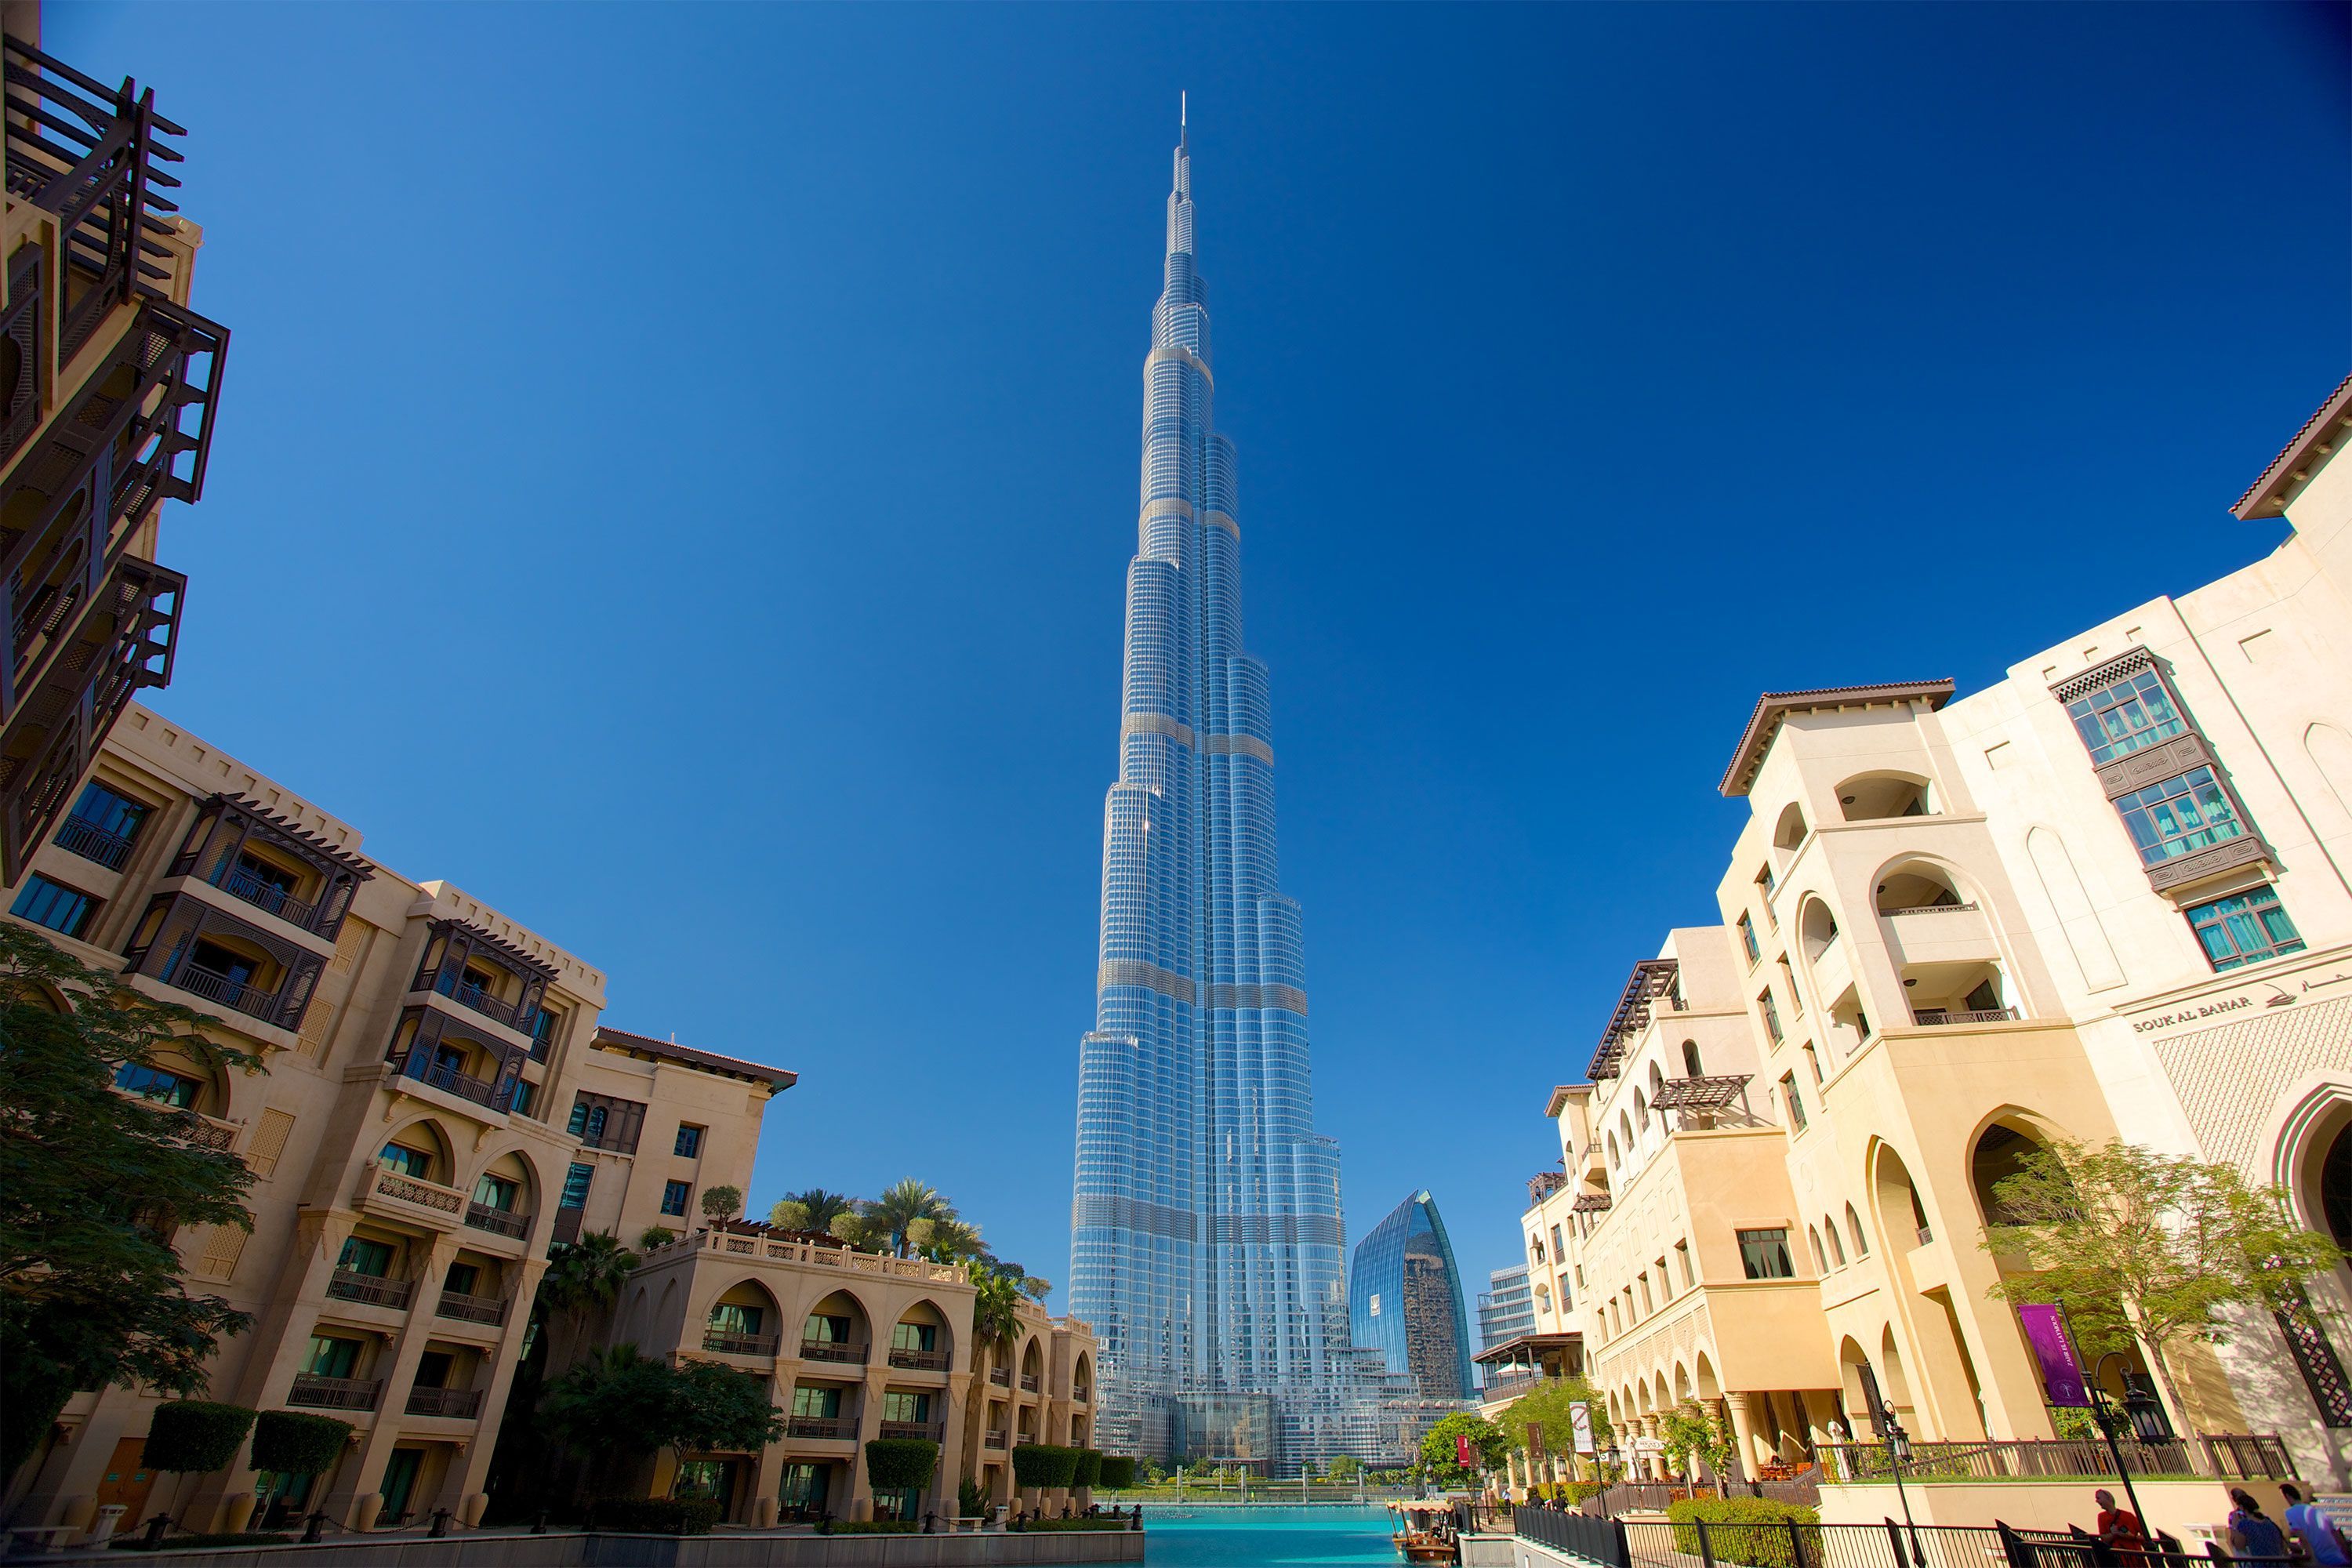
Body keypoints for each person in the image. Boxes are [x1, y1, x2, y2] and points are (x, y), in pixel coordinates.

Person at [2283, 1484, 2346, 1566]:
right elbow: (2337, 1535)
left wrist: (2312, 1560)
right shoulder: (2318, 1511)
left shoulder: (2290, 1513)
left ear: (2287, 1497)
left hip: (2321, 1560)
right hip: (2339, 1558)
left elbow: (2302, 1538)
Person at [2232, 1489, 2292, 1561]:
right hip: (2279, 1562)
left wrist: (2234, 1525)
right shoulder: (2269, 1522)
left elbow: (2239, 1546)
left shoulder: (2245, 1524)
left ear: (2241, 1507)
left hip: (2262, 1563)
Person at [2095, 1488, 2149, 1564]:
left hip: (2134, 1557)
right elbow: (2104, 1538)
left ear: (2108, 1498)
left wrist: (2132, 1537)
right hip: (2119, 1558)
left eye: (2098, 1498)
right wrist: (2114, 1534)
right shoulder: (2102, 1517)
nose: (2097, 1501)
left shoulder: (2128, 1516)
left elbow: (2146, 1536)